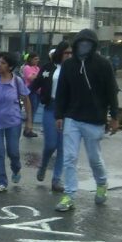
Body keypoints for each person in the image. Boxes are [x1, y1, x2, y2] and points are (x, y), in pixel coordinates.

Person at [54, 29, 119, 212]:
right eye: (80, 43)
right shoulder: (68, 65)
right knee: (69, 158)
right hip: (72, 118)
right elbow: (61, 93)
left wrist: (114, 117)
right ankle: (69, 195)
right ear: (75, 45)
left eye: (88, 43)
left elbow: (111, 92)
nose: (84, 46)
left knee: (94, 159)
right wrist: (58, 115)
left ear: (93, 45)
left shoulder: (104, 64)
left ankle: (101, 183)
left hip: (95, 119)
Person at [0, 52, 33, 193]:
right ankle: (1, 182)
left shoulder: (17, 82)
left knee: (13, 152)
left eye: (3, 63)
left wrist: (29, 122)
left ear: (10, 66)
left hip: (13, 122)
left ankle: (16, 169)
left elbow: (27, 101)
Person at [31, 42, 72, 192]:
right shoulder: (48, 68)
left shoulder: (74, 69)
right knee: (51, 144)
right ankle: (43, 165)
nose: (69, 55)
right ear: (60, 53)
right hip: (50, 108)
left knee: (62, 147)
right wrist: (23, 95)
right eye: (66, 52)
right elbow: (36, 84)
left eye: (71, 53)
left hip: (68, 112)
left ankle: (56, 180)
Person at [22, 53, 41, 138]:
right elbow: (31, 78)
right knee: (30, 111)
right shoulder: (27, 68)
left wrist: (36, 75)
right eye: (35, 59)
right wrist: (38, 75)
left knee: (34, 111)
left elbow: (39, 78)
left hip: (38, 92)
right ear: (31, 59)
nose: (37, 61)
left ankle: (29, 129)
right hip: (30, 91)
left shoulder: (37, 68)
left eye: (38, 59)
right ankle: (27, 130)